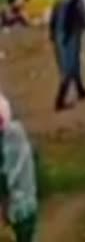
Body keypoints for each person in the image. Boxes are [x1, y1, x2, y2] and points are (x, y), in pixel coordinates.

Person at [0, 95, 38, 242]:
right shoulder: (18, 133)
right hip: (27, 204)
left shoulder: (8, 141)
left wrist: (3, 212)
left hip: (16, 210)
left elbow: (5, 180)